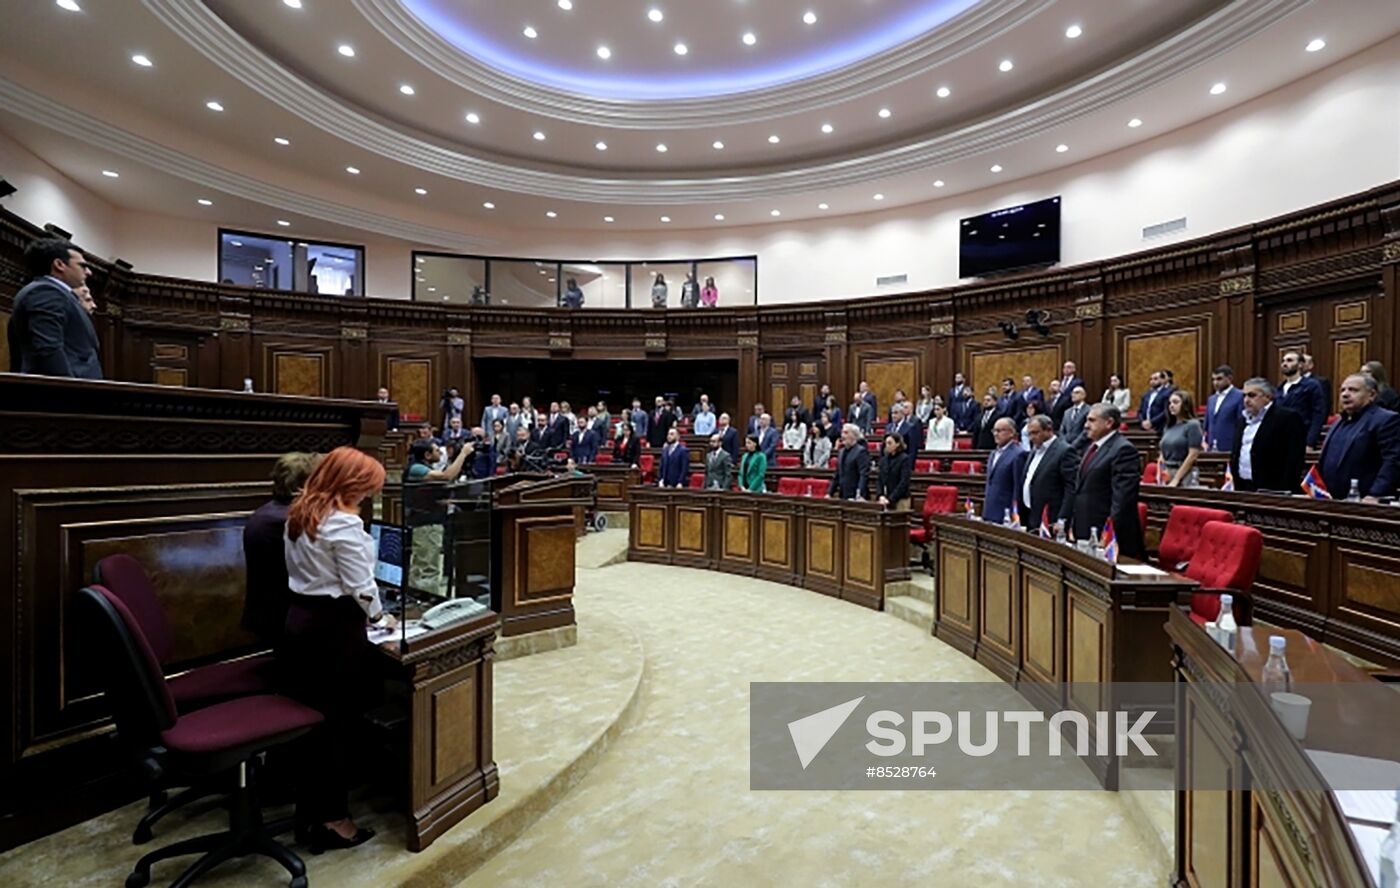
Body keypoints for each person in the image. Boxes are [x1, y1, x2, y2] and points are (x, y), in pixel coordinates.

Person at [280, 446, 393, 852]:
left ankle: (310, 808)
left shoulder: (301, 512)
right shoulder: (344, 526)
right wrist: (381, 618)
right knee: (337, 725)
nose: (368, 497)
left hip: (300, 622)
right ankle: (334, 820)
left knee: (315, 724)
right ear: (351, 485)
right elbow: (361, 587)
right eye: (366, 489)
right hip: (333, 631)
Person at [242, 452, 321, 646]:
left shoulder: (264, 513)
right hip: (285, 620)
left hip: (266, 614)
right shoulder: (288, 521)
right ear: (302, 486)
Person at [8, 238, 101, 379]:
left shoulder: (56, 293)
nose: (89, 272)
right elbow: (48, 350)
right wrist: (71, 390)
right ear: (59, 264)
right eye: (82, 266)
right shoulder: (45, 292)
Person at [1059, 404, 1145, 558]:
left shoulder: (1123, 450)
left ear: (1109, 423)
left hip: (1107, 537)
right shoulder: (1092, 447)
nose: (1086, 425)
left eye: (1092, 421)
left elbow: (1122, 500)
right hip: (1086, 531)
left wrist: (1107, 534)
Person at [1317, 374, 1400, 502]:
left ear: (1371, 395)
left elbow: (1393, 461)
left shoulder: (1385, 420)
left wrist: (1375, 495)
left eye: (1353, 390)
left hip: (1366, 503)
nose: (1345, 394)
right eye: (1342, 390)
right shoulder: (1338, 422)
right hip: (1330, 502)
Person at [1227, 379, 1304, 493]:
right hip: (1243, 486)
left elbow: (1293, 459)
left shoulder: (1287, 418)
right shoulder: (1242, 420)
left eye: (1252, 395)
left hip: (1272, 488)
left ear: (1268, 397)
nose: (1246, 400)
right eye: (1244, 396)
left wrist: (1284, 491)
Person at [1015, 415, 1072, 533]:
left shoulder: (1065, 451)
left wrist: (1062, 519)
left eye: (1035, 433)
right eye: (1029, 434)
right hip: (1031, 515)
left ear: (1049, 430)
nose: (1031, 438)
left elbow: (1071, 488)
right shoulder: (1034, 451)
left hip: (1051, 520)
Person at [982, 418, 1025, 522]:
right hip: (989, 510)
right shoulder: (993, 453)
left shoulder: (1018, 454)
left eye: (1000, 431)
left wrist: (1013, 514)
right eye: (994, 431)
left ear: (1011, 433)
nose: (996, 434)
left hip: (1005, 514)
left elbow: (1017, 488)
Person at [1279, 351, 1325, 447]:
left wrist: (1310, 441)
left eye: (1289, 360)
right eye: (1283, 361)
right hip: (1281, 438)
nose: (1285, 364)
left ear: (1300, 365)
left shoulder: (1311, 385)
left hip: (1301, 436)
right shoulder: (1279, 388)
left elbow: (1318, 414)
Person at [1160, 390, 1204, 487]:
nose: (1171, 405)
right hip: (1167, 472)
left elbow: (1193, 455)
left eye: (1175, 402)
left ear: (1185, 405)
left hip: (1185, 474)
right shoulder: (1168, 427)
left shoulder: (1193, 425)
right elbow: (1162, 453)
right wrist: (1161, 471)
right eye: (1170, 403)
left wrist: (1176, 479)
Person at [1203, 366, 1244, 454]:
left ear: (1229, 378)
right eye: (1213, 379)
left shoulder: (1240, 396)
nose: (1215, 383)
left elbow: (1241, 422)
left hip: (1230, 446)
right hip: (1211, 447)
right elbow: (1207, 423)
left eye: (1219, 379)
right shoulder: (1211, 399)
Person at [828, 425, 871, 500]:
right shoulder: (841, 452)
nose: (842, 436)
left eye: (846, 433)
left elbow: (863, 475)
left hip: (855, 495)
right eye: (842, 432)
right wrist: (829, 493)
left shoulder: (861, 452)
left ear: (854, 435)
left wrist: (859, 494)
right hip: (843, 494)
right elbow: (837, 475)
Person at [877, 433, 912, 511]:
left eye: (890, 443)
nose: (887, 446)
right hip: (885, 498)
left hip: (901, 499)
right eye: (886, 443)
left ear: (898, 444)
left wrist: (891, 498)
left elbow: (904, 481)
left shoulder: (904, 459)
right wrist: (880, 495)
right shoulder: (884, 459)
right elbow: (880, 479)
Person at [1049, 362, 1083, 429]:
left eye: (1069, 367)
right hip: (1057, 410)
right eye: (1065, 367)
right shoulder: (1059, 381)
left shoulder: (1077, 382)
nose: (1066, 369)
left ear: (1074, 369)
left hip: (1069, 407)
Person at [1138, 371, 1172, 436]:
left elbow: (1166, 411)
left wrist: (1152, 422)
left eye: (1155, 379)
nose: (1152, 381)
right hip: (1145, 428)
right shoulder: (1146, 394)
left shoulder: (1168, 393)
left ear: (1162, 380)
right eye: (1151, 379)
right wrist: (1142, 422)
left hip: (1160, 428)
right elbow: (1139, 411)